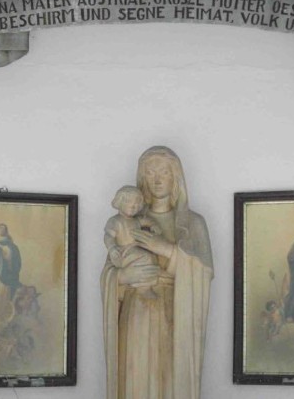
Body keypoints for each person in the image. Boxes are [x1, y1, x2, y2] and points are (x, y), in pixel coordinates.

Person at [101, 146, 213, 399]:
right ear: (142, 178)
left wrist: (166, 249)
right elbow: (110, 270)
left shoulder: (193, 223)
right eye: (150, 173)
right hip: (136, 313)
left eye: (164, 172)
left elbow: (203, 274)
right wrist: (122, 278)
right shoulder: (127, 221)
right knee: (136, 374)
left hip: (176, 313)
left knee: (169, 377)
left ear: (176, 177)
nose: (157, 179)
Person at [104, 185, 162, 299]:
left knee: (151, 258)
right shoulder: (115, 221)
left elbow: (148, 221)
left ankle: (144, 286)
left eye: (136, 205)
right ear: (120, 202)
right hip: (123, 252)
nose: (133, 207)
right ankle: (142, 287)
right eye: (130, 203)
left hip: (134, 249)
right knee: (146, 257)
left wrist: (154, 225)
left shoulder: (136, 220)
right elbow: (108, 236)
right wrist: (112, 248)